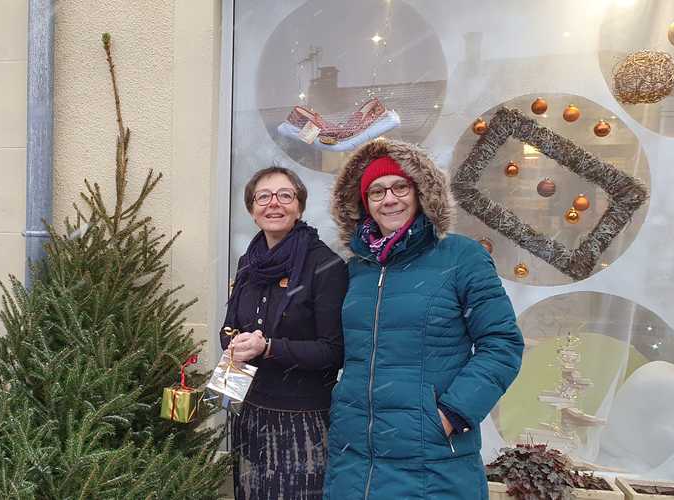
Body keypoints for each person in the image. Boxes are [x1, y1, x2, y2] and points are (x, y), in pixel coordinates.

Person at [324, 140, 524, 499]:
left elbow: (502, 344)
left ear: (421, 192)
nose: (389, 199)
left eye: (400, 186)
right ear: (363, 204)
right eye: (376, 191)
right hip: (354, 459)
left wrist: (452, 414)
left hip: (431, 462)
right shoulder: (357, 269)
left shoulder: (461, 257)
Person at [222, 166, 348, 499]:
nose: (273, 204)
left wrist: (269, 348)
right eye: (263, 196)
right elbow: (229, 326)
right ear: (252, 210)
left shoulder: (326, 266)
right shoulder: (248, 263)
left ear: (300, 207)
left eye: (285, 195)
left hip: (303, 421)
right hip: (250, 414)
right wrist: (237, 343)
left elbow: (333, 351)